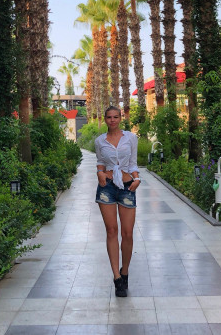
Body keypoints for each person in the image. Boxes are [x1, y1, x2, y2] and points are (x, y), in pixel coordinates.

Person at [95, 105, 141, 298]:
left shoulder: (130, 138)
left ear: (120, 118)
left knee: (127, 233)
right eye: (109, 117)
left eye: (115, 117)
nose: (112, 120)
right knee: (111, 231)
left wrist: (137, 178)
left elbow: (133, 163)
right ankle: (116, 277)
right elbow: (100, 162)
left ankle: (125, 271)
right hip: (106, 187)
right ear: (105, 119)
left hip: (127, 186)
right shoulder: (100, 140)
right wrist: (99, 172)